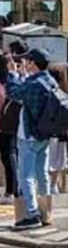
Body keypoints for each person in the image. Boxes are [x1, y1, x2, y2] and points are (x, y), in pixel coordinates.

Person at [2, 48, 57, 229]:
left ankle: (31, 214)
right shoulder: (49, 81)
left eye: (26, 61)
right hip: (45, 134)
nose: (23, 63)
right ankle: (46, 212)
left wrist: (11, 72)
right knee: (42, 175)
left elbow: (13, 93)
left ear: (33, 63)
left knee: (26, 175)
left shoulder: (34, 84)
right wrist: (23, 76)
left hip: (29, 135)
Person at [0, 53, 19, 205]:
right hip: (13, 123)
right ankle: (15, 189)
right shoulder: (13, 80)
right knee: (12, 156)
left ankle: (9, 191)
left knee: (5, 158)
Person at [47, 65, 68, 195]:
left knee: (50, 159)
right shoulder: (64, 94)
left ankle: (50, 185)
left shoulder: (50, 94)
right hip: (62, 131)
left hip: (50, 130)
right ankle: (55, 185)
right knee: (59, 159)